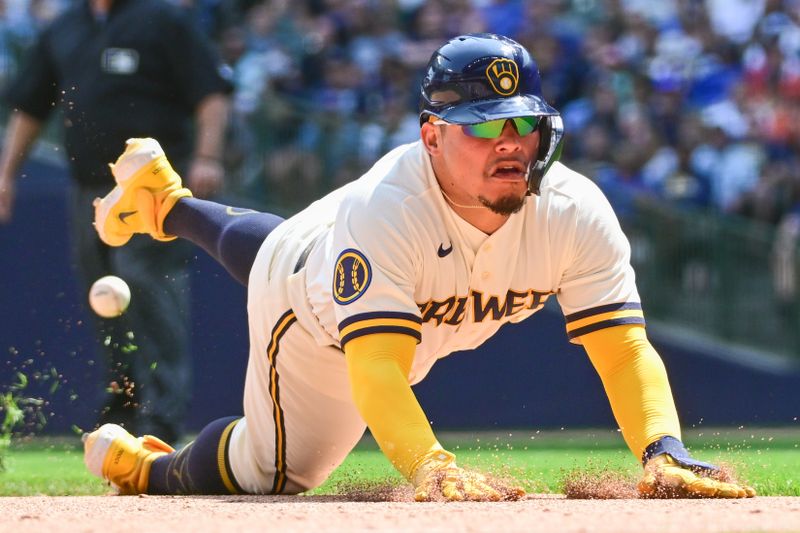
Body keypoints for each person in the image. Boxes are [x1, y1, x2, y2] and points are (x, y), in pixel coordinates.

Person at [82, 34, 755, 500]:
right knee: (279, 471)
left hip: (346, 240)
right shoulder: (389, 210)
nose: (511, 143)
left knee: (286, 247)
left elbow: (622, 347)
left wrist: (663, 445)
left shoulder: (574, 210)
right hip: (316, 322)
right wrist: (428, 465)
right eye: (485, 126)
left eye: (524, 124)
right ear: (431, 135)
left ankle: (167, 203)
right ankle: (152, 468)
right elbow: (377, 367)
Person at [0, 0, 232, 444]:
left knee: (144, 278)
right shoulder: (65, 28)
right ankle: (122, 406)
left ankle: (161, 414)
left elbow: (211, 93)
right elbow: (29, 106)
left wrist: (207, 156)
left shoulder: (161, 20)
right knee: (102, 291)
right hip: (88, 188)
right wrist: (7, 173)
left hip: (154, 190)